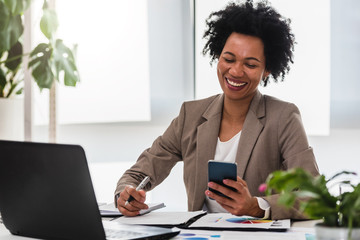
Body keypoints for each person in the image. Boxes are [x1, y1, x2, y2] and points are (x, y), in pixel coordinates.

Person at [114, 0, 319, 220]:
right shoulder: (190, 115)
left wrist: (256, 206)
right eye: (228, 59)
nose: (236, 71)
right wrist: (126, 193)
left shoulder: (284, 117)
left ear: (267, 69)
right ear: (217, 56)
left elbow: (313, 196)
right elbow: (139, 172)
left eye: (250, 65)